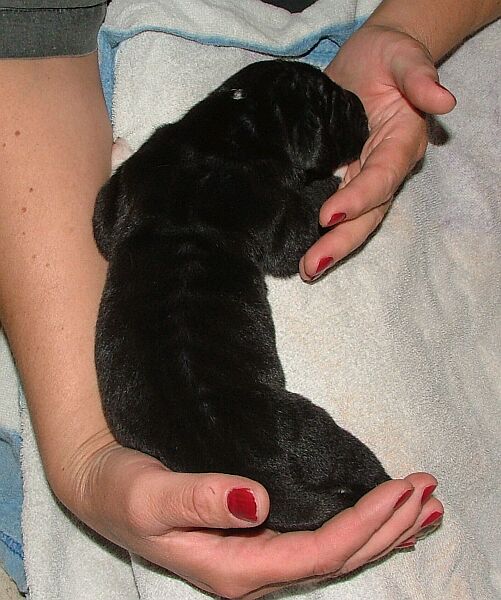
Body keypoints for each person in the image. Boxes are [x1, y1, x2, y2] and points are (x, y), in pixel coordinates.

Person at [0, 0, 498, 597]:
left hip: (138, 409)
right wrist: (83, 459)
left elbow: (106, 221)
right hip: (233, 405)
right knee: (291, 445)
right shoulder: (250, 188)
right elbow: (294, 244)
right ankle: (368, 490)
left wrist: (403, 25)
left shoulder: (159, 157)